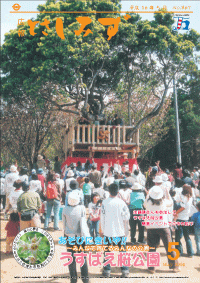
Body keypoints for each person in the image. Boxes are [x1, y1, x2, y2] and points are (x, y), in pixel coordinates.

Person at [144, 186, 180, 273]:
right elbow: (171, 202)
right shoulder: (164, 202)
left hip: (151, 227)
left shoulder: (147, 203)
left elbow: (146, 201)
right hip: (163, 226)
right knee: (169, 247)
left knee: (152, 247)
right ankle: (174, 266)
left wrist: (148, 194)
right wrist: (167, 193)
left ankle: (152, 268)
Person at [101, 183, 130, 278]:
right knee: (122, 251)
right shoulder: (121, 203)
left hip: (108, 231)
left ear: (109, 191)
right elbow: (127, 216)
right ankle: (125, 270)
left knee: (108, 251)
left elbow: (102, 217)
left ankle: (107, 271)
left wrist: (102, 230)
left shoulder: (104, 203)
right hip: (120, 231)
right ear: (118, 191)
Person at [62, 191, 89, 283]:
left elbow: (64, 224)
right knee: (82, 257)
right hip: (80, 236)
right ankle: (85, 279)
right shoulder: (82, 208)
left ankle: (73, 279)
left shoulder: (65, 209)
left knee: (71, 258)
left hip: (69, 236)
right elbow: (84, 222)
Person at [174, 184, 194, 257]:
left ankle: (179, 252)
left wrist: (175, 213)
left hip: (180, 219)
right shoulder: (190, 198)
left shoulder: (184, 198)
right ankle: (190, 253)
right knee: (187, 237)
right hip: (186, 220)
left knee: (177, 237)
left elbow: (182, 207)